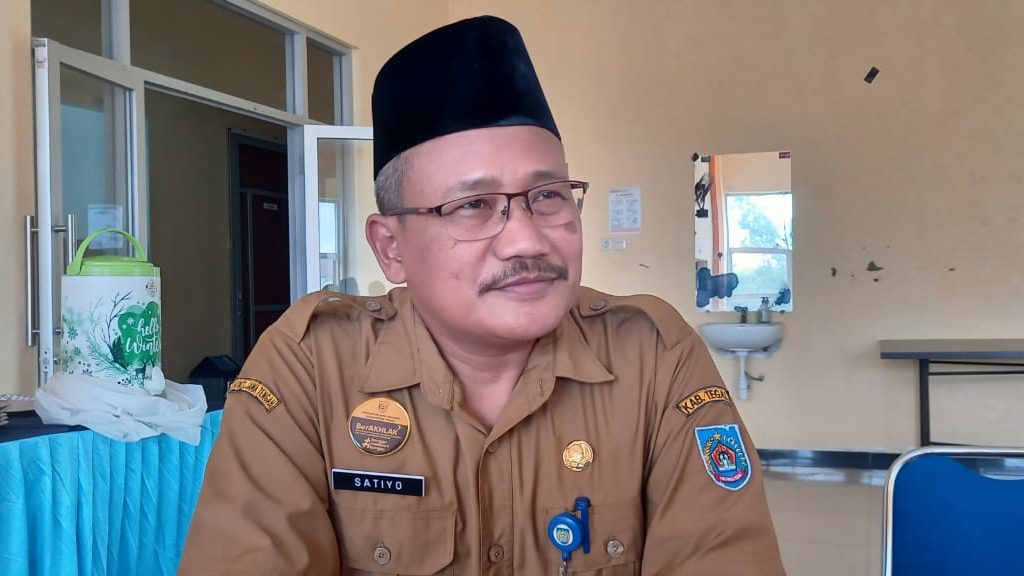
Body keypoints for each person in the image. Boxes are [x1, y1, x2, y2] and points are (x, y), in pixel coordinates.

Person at [180, 15, 785, 575]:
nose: (527, 239)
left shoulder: (653, 356)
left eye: (547, 195)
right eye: (472, 205)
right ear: (390, 247)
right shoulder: (311, 367)